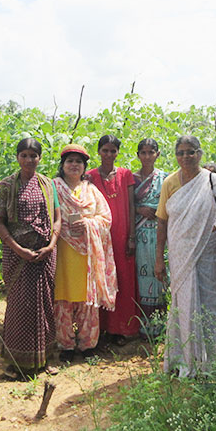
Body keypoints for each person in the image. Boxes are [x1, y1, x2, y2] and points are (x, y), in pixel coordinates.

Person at [0, 138, 61, 378]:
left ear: (40, 158)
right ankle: (16, 360)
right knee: (20, 306)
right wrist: (18, 248)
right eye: (24, 155)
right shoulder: (7, 185)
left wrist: (51, 245)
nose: (29, 160)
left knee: (45, 305)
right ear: (18, 157)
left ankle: (47, 357)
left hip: (45, 256)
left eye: (34, 155)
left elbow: (58, 218)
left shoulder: (48, 185)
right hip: (18, 256)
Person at [155, 136, 216, 377]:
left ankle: (206, 362)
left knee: (208, 302)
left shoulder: (212, 180)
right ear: (176, 155)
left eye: (191, 152)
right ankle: (182, 359)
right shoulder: (170, 183)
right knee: (181, 304)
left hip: (208, 252)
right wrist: (158, 259)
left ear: (200, 153)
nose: (186, 157)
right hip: (180, 253)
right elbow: (162, 222)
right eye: (181, 152)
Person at [54, 144, 118, 361]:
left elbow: (106, 218)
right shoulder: (54, 188)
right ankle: (66, 346)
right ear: (62, 166)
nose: (74, 165)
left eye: (78, 162)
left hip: (87, 256)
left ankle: (88, 344)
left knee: (87, 299)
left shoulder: (90, 190)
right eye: (70, 161)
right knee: (62, 298)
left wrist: (89, 224)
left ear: (84, 167)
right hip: (62, 252)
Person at [87, 135, 138, 345]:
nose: (108, 154)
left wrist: (132, 235)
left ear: (118, 153)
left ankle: (121, 329)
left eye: (113, 151)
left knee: (123, 281)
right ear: (98, 152)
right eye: (105, 150)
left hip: (122, 234)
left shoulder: (126, 175)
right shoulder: (89, 176)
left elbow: (132, 205)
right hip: (100, 236)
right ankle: (101, 330)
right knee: (101, 279)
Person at [132, 138, 169, 338]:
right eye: (143, 153)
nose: (147, 156)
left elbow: (172, 204)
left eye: (151, 152)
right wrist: (139, 209)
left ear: (158, 154)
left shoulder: (165, 178)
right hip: (139, 235)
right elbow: (126, 205)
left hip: (160, 233)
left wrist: (158, 211)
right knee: (141, 278)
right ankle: (142, 325)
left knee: (160, 275)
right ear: (138, 155)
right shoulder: (131, 179)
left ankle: (160, 326)